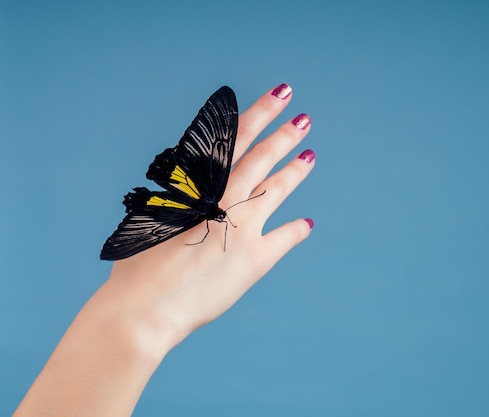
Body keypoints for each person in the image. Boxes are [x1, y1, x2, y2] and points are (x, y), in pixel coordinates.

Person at [13, 83, 315, 417]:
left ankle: (164, 183)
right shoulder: (210, 209)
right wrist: (145, 316)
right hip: (180, 208)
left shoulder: (209, 203)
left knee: (177, 201)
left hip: (181, 190)